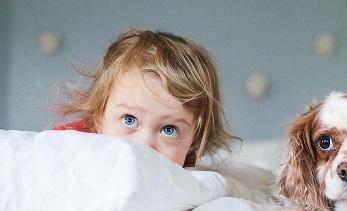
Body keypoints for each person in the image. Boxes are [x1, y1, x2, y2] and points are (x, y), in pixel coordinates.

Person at [53, 28, 235, 168]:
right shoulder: (69, 149)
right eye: (129, 119)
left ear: (193, 142)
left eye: (169, 130)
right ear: (98, 117)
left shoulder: (188, 181)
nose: (144, 145)